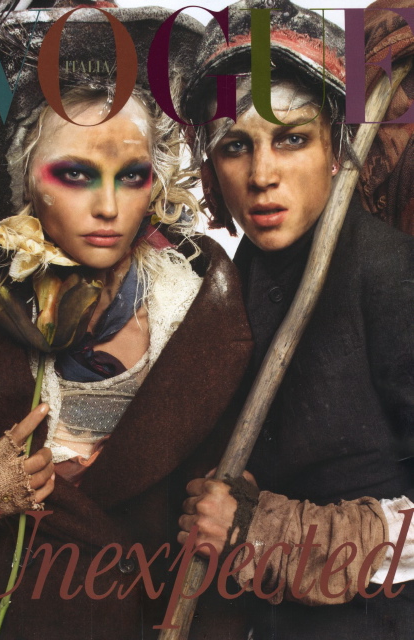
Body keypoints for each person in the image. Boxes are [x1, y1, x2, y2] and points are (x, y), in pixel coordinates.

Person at [0, 3, 253, 639]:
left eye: (131, 175)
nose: (109, 206)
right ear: (25, 182)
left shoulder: (204, 308)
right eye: (76, 174)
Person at [178, 1, 414, 638]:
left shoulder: (389, 273)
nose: (262, 176)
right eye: (236, 147)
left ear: (336, 149)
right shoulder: (234, 280)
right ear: (211, 168)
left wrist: (269, 533)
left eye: (291, 139)